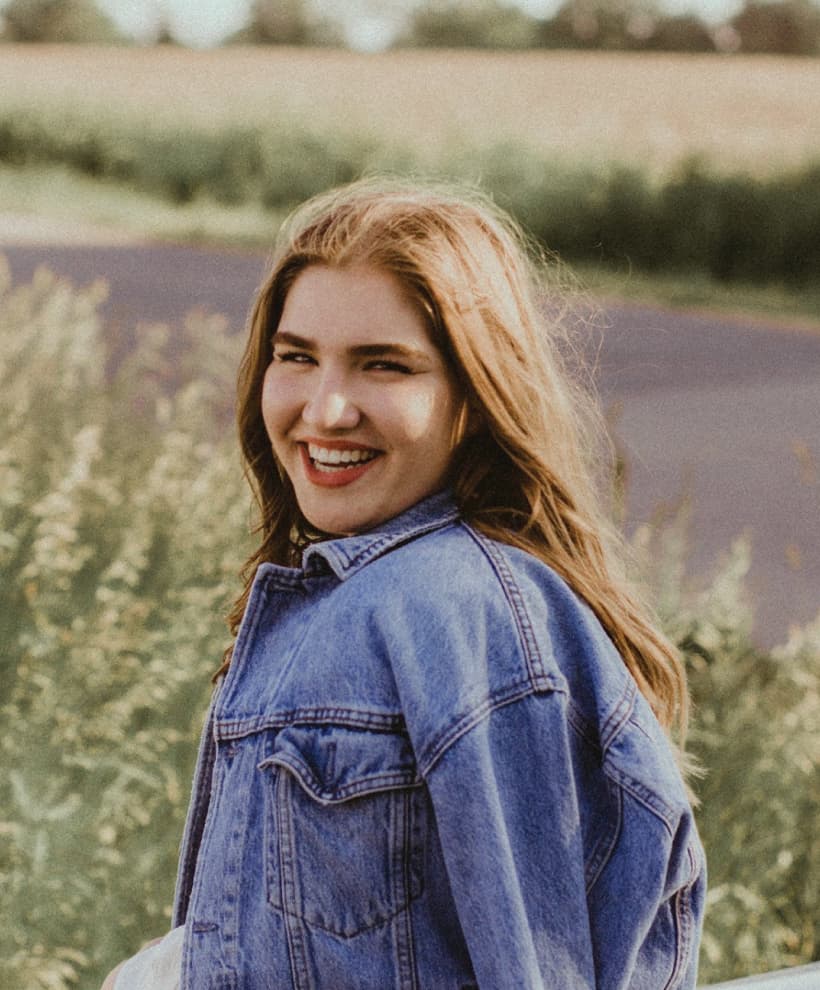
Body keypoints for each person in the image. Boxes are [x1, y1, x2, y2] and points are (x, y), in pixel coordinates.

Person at [104, 178, 705, 989]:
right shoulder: (355, 591)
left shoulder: (454, 610)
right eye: (297, 356)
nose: (327, 408)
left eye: (384, 366)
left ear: (476, 392)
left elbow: (533, 970)